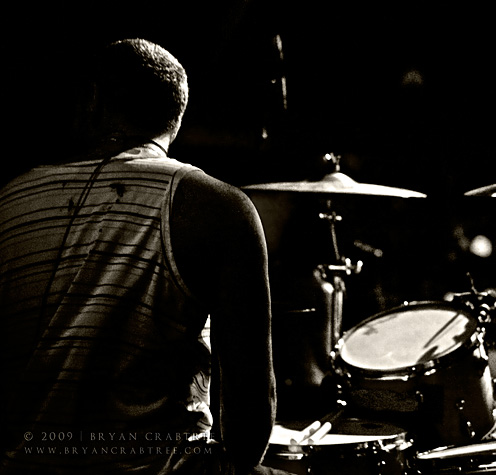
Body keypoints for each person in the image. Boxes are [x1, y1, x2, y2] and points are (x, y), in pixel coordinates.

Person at [0, 39, 283, 474]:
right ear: (177, 115)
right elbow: (249, 405)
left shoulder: (10, 198)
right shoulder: (214, 205)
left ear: (91, 100)